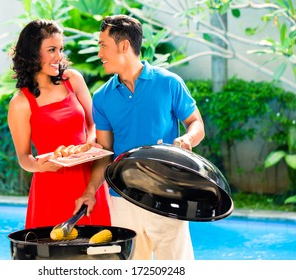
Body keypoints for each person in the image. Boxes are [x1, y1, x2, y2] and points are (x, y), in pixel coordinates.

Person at [74, 15, 205, 260]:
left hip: (167, 193)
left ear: (124, 45)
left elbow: (196, 123)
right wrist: (91, 190)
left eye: (103, 45)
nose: (99, 52)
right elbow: (105, 152)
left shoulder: (169, 83)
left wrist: (188, 139)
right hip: (123, 198)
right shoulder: (102, 97)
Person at [7, 19, 110, 229]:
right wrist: (39, 165)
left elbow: (93, 125)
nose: (59, 57)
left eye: (60, 49)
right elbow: (24, 158)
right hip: (51, 186)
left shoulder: (73, 79)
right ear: (32, 53)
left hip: (89, 180)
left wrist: (90, 144)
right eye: (51, 50)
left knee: (99, 251)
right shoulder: (20, 103)